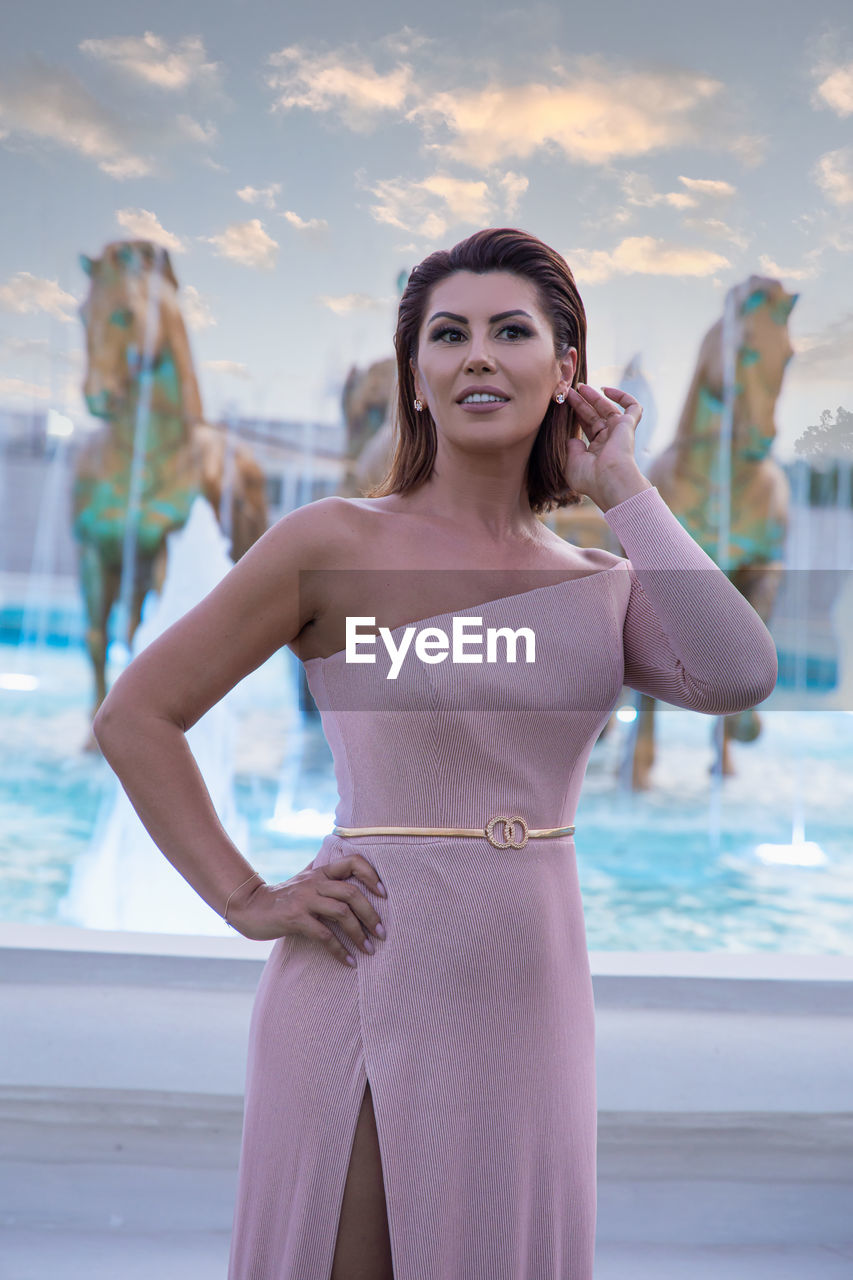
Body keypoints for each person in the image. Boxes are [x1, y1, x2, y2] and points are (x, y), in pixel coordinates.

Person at [93, 227, 778, 1280]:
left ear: (565, 372)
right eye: (447, 334)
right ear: (415, 375)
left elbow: (737, 671)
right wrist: (244, 895)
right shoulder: (333, 543)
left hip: (533, 988)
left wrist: (626, 484)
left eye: (512, 332)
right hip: (370, 968)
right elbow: (135, 713)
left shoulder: (598, 575)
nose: (477, 356)